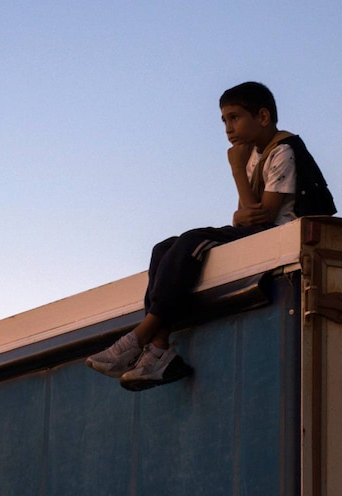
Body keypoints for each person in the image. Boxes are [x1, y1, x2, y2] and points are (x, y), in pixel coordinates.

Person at [87, 81, 322, 391]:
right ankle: (158, 350)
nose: (228, 127)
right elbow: (243, 213)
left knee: (191, 243)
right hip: (256, 233)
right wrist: (242, 204)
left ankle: (140, 338)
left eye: (235, 117)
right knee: (164, 249)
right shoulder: (252, 154)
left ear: (263, 116)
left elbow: (261, 216)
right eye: (224, 120)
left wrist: (236, 169)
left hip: (275, 237)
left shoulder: (283, 151)